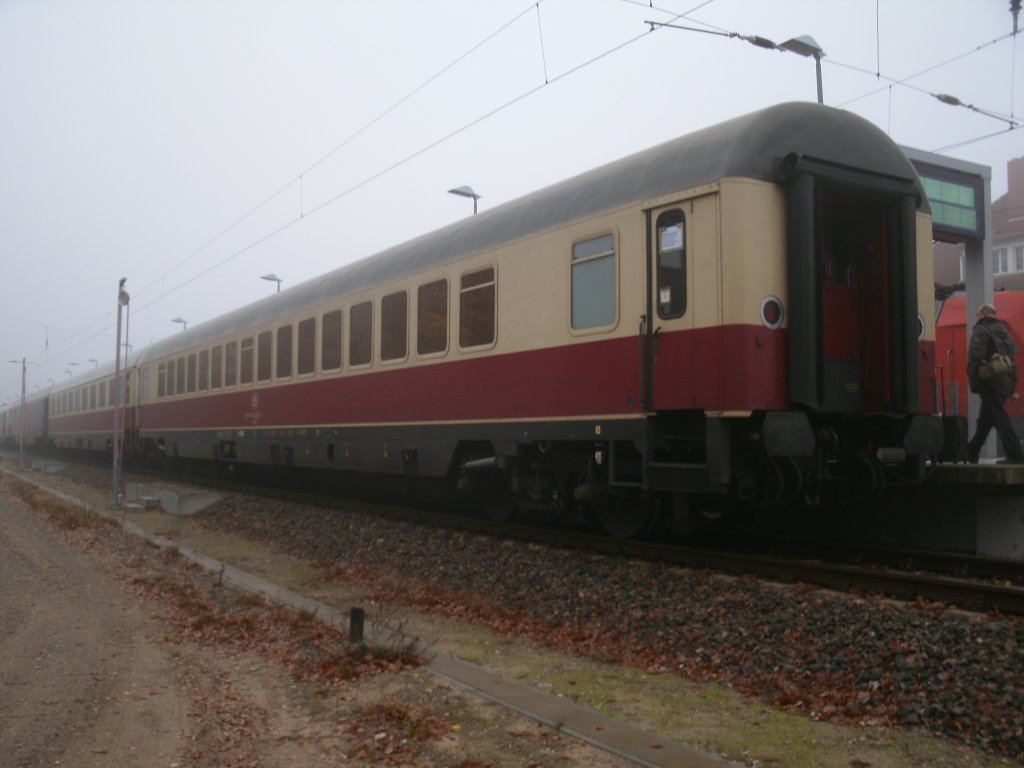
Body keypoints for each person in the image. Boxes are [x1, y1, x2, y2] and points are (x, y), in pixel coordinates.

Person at [966, 303, 1024, 464]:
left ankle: (1016, 454)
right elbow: (1012, 359)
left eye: (978, 314)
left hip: (990, 381)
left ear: (983, 314)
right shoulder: (1003, 330)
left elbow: (975, 357)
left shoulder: (981, 329)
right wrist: (1012, 386)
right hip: (1004, 381)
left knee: (998, 416)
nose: (977, 317)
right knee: (986, 420)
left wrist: (975, 380)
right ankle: (972, 451)